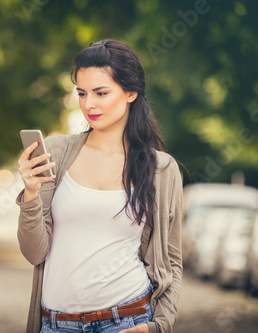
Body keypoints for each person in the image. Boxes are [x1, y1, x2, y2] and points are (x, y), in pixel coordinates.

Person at [16, 39, 183, 333]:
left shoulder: (161, 168)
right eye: (82, 93)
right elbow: (34, 253)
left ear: (131, 92)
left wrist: (158, 326)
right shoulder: (55, 153)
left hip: (128, 319)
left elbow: (171, 261)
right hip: (58, 325)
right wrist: (30, 193)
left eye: (101, 93)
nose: (88, 104)